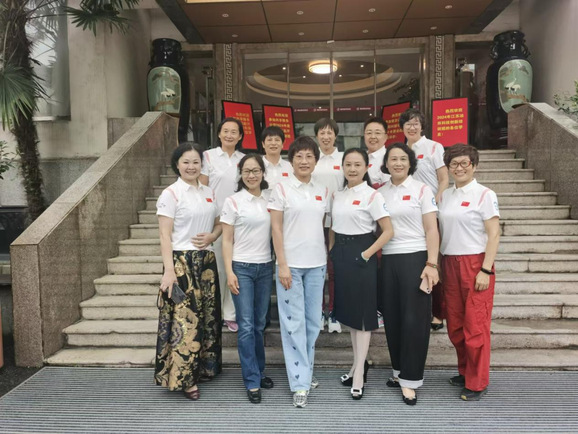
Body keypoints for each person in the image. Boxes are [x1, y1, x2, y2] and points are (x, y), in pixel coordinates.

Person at [154, 142, 222, 401]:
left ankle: (204, 367)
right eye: (186, 162)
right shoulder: (171, 194)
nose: (191, 166)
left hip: (206, 261)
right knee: (185, 321)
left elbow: (219, 223)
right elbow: (164, 235)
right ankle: (185, 379)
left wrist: (212, 236)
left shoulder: (209, 192)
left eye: (196, 162)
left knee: (208, 317)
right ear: (177, 165)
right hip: (181, 262)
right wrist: (169, 272)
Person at [268, 136, 328, 408]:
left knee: (313, 322)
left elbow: (323, 225)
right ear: (291, 161)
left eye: (309, 156)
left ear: (316, 160)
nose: (304, 161)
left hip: (317, 264)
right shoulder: (281, 189)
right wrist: (282, 264)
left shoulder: (322, 190)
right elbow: (276, 228)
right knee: (293, 324)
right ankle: (300, 383)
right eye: (299, 156)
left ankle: (305, 372)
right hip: (290, 265)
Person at [377, 142, 440, 406]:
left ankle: (411, 380)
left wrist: (432, 264)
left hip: (416, 259)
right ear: (386, 164)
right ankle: (398, 371)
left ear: (410, 162)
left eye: (403, 158)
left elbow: (432, 229)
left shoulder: (422, 190)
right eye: (393, 159)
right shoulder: (380, 192)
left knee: (415, 321)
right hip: (388, 260)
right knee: (393, 318)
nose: (398, 163)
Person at [329, 148, 394, 399]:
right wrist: (332, 250)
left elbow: (388, 231)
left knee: (364, 317)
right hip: (342, 254)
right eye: (348, 164)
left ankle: (359, 375)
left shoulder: (372, 195)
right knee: (351, 315)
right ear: (342, 167)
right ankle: (356, 366)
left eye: (358, 164)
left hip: (363, 253)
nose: (352, 169)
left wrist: (366, 254)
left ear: (367, 167)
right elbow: (333, 226)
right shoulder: (337, 194)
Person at [438, 144, 500, 402]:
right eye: (454, 164)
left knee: (476, 326)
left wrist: (485, 269)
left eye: (465, 163)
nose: (459, 168)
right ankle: (465, 372)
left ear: (474, 166)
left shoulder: (484, 194)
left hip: (475, 264)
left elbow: (494, 234)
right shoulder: (445, 196)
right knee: (455, 325)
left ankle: (477, 382)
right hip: (449, 262)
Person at [221, 154, 274, 404]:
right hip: (241, 268)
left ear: (263, 173)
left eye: (256, 171)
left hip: (265, 267)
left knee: (259, 324)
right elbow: (226, 240)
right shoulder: (233, 201)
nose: (251, 175)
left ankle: (259, 371)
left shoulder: (270, 199)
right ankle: (251, 380)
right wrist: (229, 272)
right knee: (245, 325)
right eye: (246, 171)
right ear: (240, 174)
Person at [400, 108, 450, 331]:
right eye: (408, 124)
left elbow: (444, 178)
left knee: (433, 261)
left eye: (416, 123)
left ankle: (437, 313)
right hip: (407, 214)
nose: (412, 127)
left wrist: (437, 197)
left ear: (422, 126)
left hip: (430, 213)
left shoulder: (433, 147)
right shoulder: (401, 150)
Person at [200, 117, 245, 333]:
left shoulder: (244, 159)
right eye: (225, 131)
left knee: (234, 267)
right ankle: (215, 312)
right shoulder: (207, 156)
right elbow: (202, 188)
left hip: (240, 219)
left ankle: (230, 314)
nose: (229, 135)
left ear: (240, 136)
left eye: (234, 132)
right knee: (218, 268)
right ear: (219, 134)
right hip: (216, 220)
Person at [312, 118, 344, 333]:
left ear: (335, 135)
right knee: (316, 269)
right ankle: (317, 311)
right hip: (313, 222)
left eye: (329, 132)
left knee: (334, 269)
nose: (325, 136)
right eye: (322, 133)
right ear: (316, 136)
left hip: (339, 222)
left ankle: (333, 311)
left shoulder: (343, 159)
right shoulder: (311, 158)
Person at [363, 116, 391, 189]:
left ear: (385, 137)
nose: (373, 137)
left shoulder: (389, 158)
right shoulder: (361, 157)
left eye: (377, 133)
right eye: (369, 133)